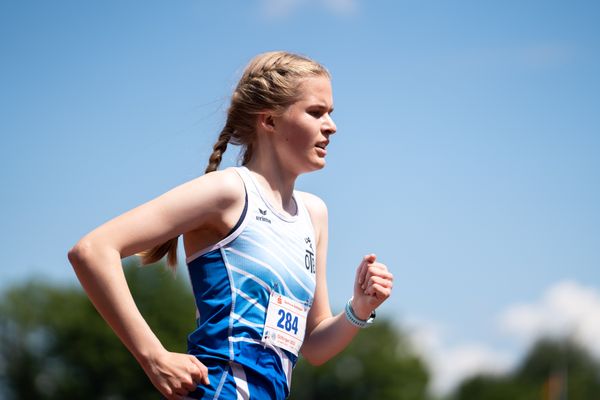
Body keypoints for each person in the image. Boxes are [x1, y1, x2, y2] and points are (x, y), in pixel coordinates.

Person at [68, 51, 393, 399]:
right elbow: (92, 250)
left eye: (330, 113)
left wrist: (360, 308)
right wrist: (153, 356)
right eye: (316, 112)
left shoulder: (314, 214)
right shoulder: (229, 191)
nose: (331, 126)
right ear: (268, 121)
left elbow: (313, 345)